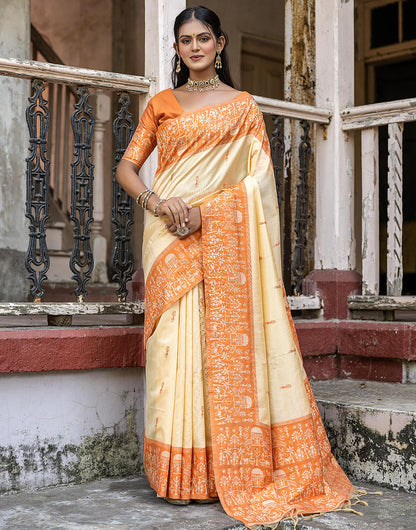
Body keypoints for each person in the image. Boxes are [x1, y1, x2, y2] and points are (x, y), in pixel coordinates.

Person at [116, 5, 354, 529]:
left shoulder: (244, 107)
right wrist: (158, 203)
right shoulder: (161, 104)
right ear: (176, 48)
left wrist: (207, 212)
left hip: (218, 233)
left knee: (220, 349)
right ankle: (180, 475)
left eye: (204, 38)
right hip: (169, 239)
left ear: (220, 44)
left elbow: (258, 182)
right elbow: (126, 167)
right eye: (185, 40)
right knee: (175, 347)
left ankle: (220, 472)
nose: (195, 47)